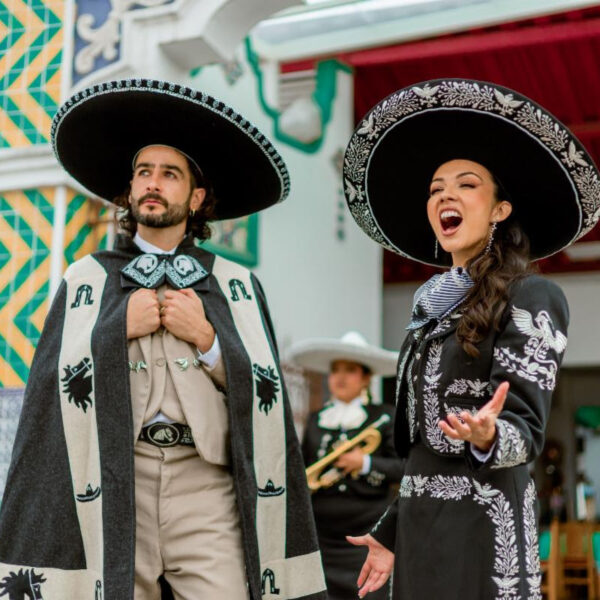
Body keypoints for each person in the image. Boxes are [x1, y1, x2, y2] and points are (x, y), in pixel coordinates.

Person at [0, 79, 327, 600]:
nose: (153, 183)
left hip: (206, 485)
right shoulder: (87, 279)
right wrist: (115, 330)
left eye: (170, 174)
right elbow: (49, 390)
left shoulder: (235, 284)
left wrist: (209, 341)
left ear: (195, 197)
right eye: (143, 173)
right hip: (114, 483)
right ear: (130, 191)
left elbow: (267, 394)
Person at [341, 78, 600, 599]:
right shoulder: (426, 306)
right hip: (418, 529)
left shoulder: (534, 296)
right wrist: (389, 532)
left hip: (486, 527)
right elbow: (418, 448)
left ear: (500, 210)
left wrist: (487, 433)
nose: (445, 197)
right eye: (436, 189)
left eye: (465, 184)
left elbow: (525, 431)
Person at [288, 331, 403, 600]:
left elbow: (403, 469)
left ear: (365, 379)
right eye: (335, 370)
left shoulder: (383, 417)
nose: (340, 377)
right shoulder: (317, 419)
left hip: (367, 531)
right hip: (322, 535)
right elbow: (304, 468)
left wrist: (364, 463)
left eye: (349, 370)